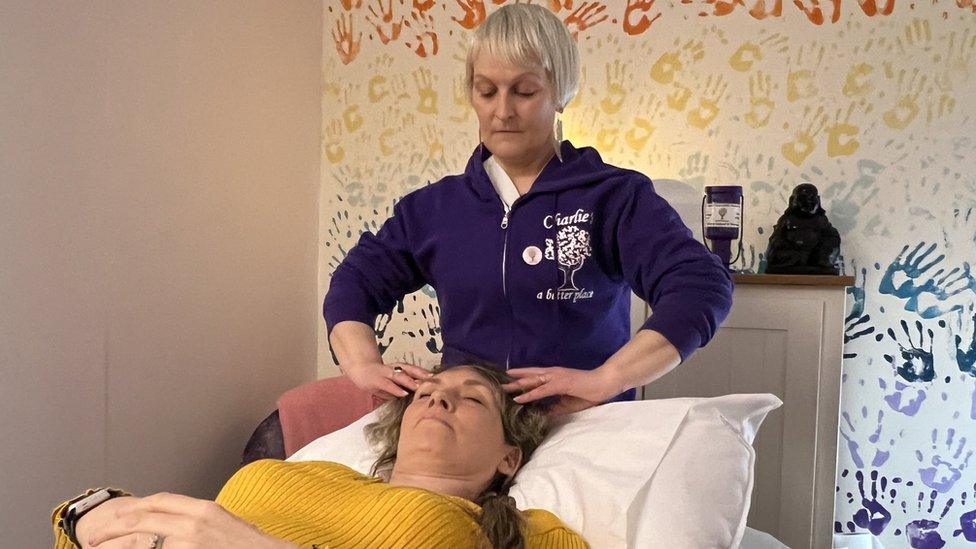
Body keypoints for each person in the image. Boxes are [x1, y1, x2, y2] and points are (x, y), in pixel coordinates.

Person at [324, 5, 734, 415]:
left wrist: (607, 379)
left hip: (579, 426)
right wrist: (362, 364)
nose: (502, 111)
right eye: (486, 91)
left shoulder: (615, 197)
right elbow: (353, 285)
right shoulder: (432, 209)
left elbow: (702, 286)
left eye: (524, 91)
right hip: (470, 431)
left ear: (560, 92)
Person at [52, 366, 586, 549]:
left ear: (510, 458)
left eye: (471, 398)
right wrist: (85, 514)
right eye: (425, 391)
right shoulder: (316, 470)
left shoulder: (517, 528)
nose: (436, 397)